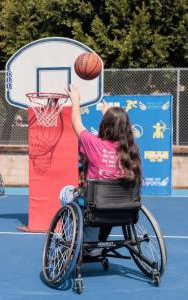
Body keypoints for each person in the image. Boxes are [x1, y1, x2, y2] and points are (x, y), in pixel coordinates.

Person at [61, 85, 142, 253]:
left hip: (97, 209)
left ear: (104, 125)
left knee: (65, 192)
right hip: (125, 210)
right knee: (97, 201)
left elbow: (76, 122)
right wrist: (108, 113)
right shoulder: (130, 150)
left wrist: (75, 100)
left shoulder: (94, 144)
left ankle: (75, 238)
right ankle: (92, 241)